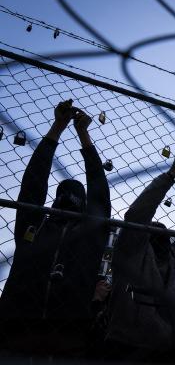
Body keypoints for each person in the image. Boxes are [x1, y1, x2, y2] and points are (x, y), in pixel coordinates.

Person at [0, 100, 111, 358]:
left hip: (67, 342)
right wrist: (58, 128)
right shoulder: (35, 226)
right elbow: (33, 185)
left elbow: (99, 193)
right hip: (16, 337)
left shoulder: (90, 234)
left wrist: (80, 134)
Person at [104, 144, 175, 362]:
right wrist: (172, 174)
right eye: (152, 226)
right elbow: (136, 214)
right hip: (131, 345)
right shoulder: (131, 252)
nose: (159, 228)